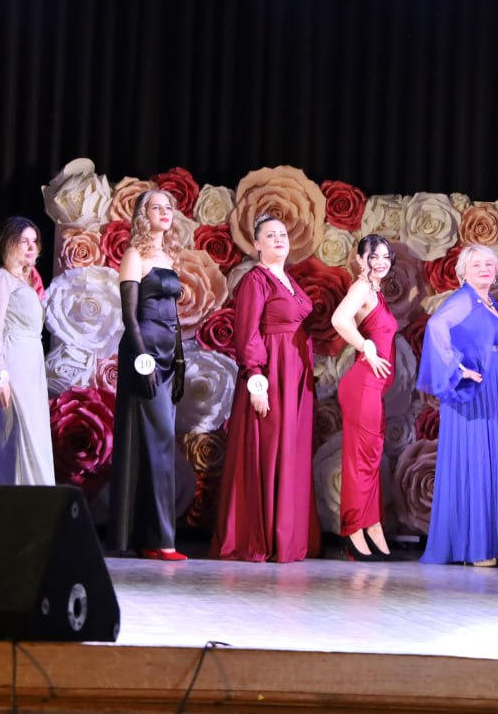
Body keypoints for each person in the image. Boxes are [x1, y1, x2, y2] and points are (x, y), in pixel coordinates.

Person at [211, 215, 320, 563]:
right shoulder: (255, 280)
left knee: (290, 452)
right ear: (256, 244)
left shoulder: (289, 280)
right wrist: (257, 381)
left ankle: (289, 537)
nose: (279, 239)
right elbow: (247, 334)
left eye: (282, 234)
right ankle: (261, 536)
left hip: (296, 376)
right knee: (269, 450)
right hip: (272, 373)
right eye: (270, 236)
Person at [418, 244, 498, 567]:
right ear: (462, 272)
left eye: (489, 264)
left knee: (492, 461)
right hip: (474, 392)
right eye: (476, 264)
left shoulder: (492, 305)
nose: (484, 269)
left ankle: (487, 542)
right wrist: (457, 367)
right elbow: (436, 327)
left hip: (496, 392)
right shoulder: (464, 299)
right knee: (476, 461)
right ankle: (475, 547)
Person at [109, 189, 187, 560]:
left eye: (168, 206)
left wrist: (180, 361)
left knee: (160, 443)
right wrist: (144, 360)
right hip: (145, 354)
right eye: (156, 207)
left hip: (169, 357)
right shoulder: (133, 255)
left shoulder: (168, 257)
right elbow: (130, 316)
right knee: (157, 444)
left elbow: (174, 318)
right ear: (143, 215)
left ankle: (149, 536)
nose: (164, 211)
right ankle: (160, 540)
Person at [0, 217, 55, 486]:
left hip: (30, 370)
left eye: (34, 241)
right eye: (24, 241)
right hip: (10, 367)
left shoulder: (25, 282)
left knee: (33, 439)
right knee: (13, 440)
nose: (31, 247)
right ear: (8, 243)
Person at [330, 234, 396, 560]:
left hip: (373, 388)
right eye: (373, 256)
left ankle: (372, 525)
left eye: (385, 256)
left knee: (370, 459)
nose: (380, 262)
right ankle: (353, 528)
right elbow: (339, 319)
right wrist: (365, 346)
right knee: (361, 461)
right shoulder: (361, 289)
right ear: (360, 260)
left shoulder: (375, 291)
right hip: (362, 386)